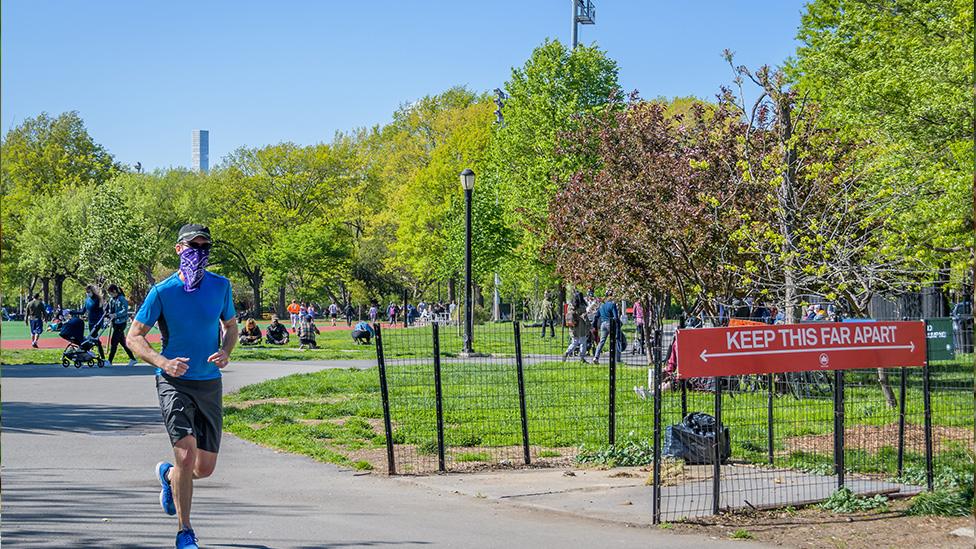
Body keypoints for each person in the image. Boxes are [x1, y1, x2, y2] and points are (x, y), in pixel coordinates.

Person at [126, 223, 237, 549]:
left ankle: (169, 476)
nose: (198, 253)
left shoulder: (221, 286)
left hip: (209, 383)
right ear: (178, 249)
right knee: (186, 457)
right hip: (173, 382)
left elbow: (230, 326)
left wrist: (227, 350)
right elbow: (134, 336)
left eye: (204, 247)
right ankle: (185, 531)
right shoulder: (162, 291)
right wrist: (163, 363)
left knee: (204, 468)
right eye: (192, 246)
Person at [106, 284, 137, 366]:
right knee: (122, 342)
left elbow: (124, 310)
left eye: (111, 293)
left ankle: (109, 360)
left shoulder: (122, 299)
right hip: (115, 323)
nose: (110, 295)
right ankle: (132, 359)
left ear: (115, 291)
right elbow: (109, 308)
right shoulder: (112, 300)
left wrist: (115, 315)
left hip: (121, 323)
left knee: (114, 342)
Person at [592, 291, 620, 364]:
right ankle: (617, 359)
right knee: (616, 340)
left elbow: (596, 316)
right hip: (611, 324)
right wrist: (618, 325)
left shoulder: (601, 306)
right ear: (611, 296)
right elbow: (616, 317)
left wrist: (594, 325)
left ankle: (596, 357)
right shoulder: (612, 304)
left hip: (603, 324)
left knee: (601, 342)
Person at [563, 292, 590, 361]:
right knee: (583, 342)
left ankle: (566, 352)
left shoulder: (570, 306)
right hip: (581, 327)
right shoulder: (582, 307)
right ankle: (582, 358)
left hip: (572, 326)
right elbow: (585, 318)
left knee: (574, 342)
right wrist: (589, 326)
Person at [83, 285, 107, 361]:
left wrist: (101, 323)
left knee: (92, 339)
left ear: (92, 291)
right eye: (86, 292)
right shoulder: (87, 300)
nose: (87, 293)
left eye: (89, 292)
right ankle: (102, 358)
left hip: (97, 323)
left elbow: (101, 312)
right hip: (90, 322)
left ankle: (86, 355)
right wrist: (70, 312)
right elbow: (82, 311)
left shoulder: (97, 299)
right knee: (96, 340)